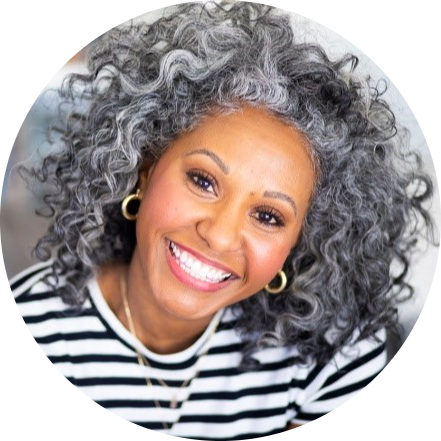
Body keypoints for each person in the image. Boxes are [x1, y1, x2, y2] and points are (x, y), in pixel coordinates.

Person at [9, 0, 438, 436]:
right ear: (145, 168)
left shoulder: (331, 355)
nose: (219, 235)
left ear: (302, 240)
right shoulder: (30, 329)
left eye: (268, 216)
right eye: (203, 180)